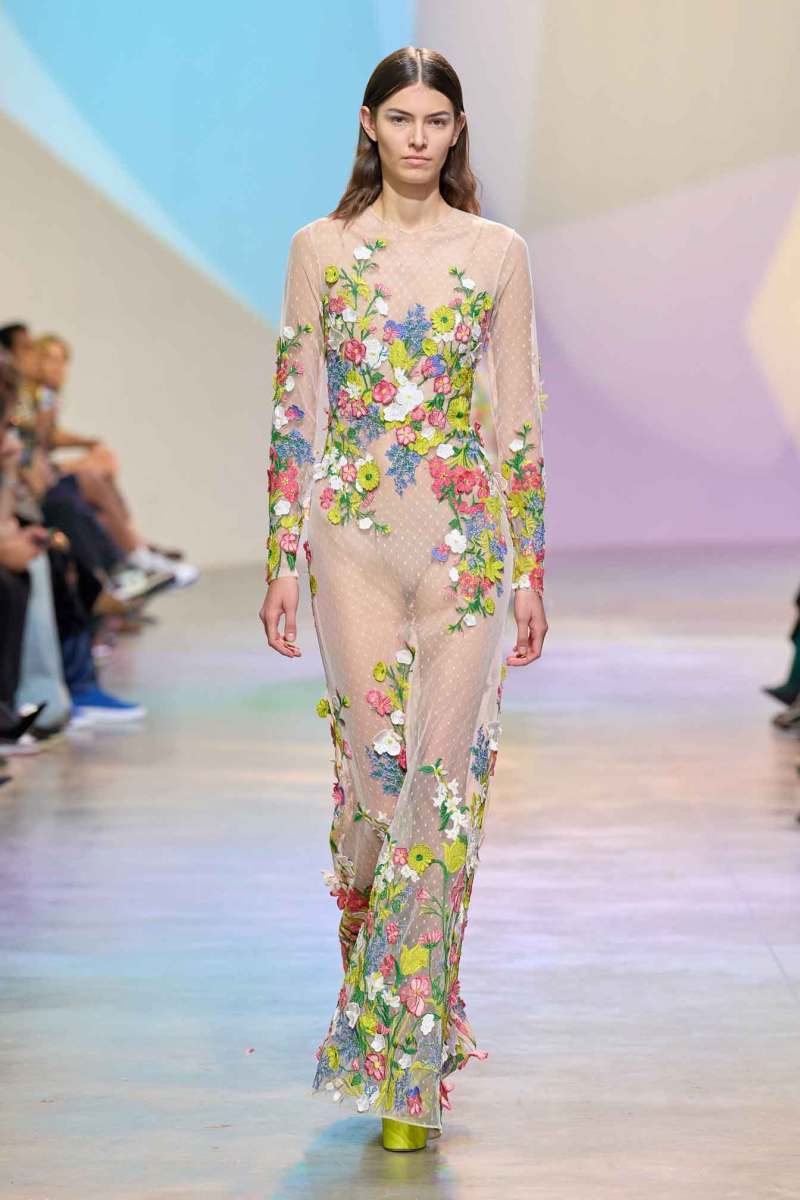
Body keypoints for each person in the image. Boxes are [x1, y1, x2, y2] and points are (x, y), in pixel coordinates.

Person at [259, 46, 548, 1151]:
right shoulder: (320, 249)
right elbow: (296, 406)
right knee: (375, 794)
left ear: (457, 129)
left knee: (443, 791)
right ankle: (377, 1010)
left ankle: (406, 1060)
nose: (419, 137)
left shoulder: (498, 252)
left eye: (436, 119)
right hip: (351, 545)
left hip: (465, 544)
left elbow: (516, 414)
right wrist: (280, 556)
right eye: (401, 118)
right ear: (369, 125)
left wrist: (531, 568)